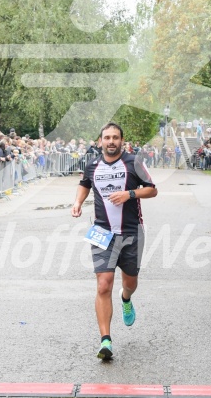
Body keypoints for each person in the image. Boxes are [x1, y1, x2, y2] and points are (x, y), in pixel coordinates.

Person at [71, 122, 157, 360]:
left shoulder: (133, 163)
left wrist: (129, 194)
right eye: (106, 137)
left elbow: (152, 189)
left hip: (131, 232)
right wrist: (78, 202)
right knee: (103, 284)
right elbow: (84, 184)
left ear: (122, 140)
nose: (111, 141)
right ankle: (105, 340)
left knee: (130, 283)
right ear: (100, 141)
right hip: (102, 232)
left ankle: (126, 298)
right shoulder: (92, 165)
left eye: (115, 137)